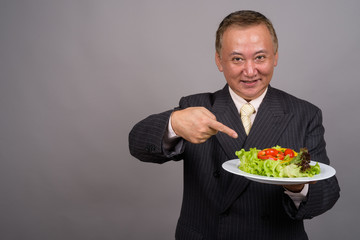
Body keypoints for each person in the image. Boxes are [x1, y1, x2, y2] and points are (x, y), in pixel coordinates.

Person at [129, 10, 340, 240]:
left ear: (275, 57)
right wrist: (174, 123)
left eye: (260, 57)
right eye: (237, 59)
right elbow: (137, 144)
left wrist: (298, 186)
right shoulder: (195, 107)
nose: (250, 71)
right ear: (219, 60)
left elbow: (326, 195)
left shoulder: (304, 114)